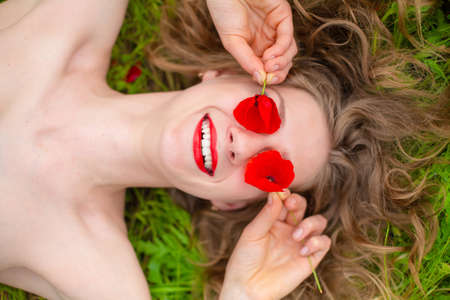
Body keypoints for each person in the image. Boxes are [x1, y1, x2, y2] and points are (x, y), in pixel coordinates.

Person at [0, 1, 447, 300]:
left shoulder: (95, 266)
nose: (244, 144)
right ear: (223, 72)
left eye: (268, 172)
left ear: (230, 203)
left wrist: (239, 296)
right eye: (262, 111)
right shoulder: (72, 21)